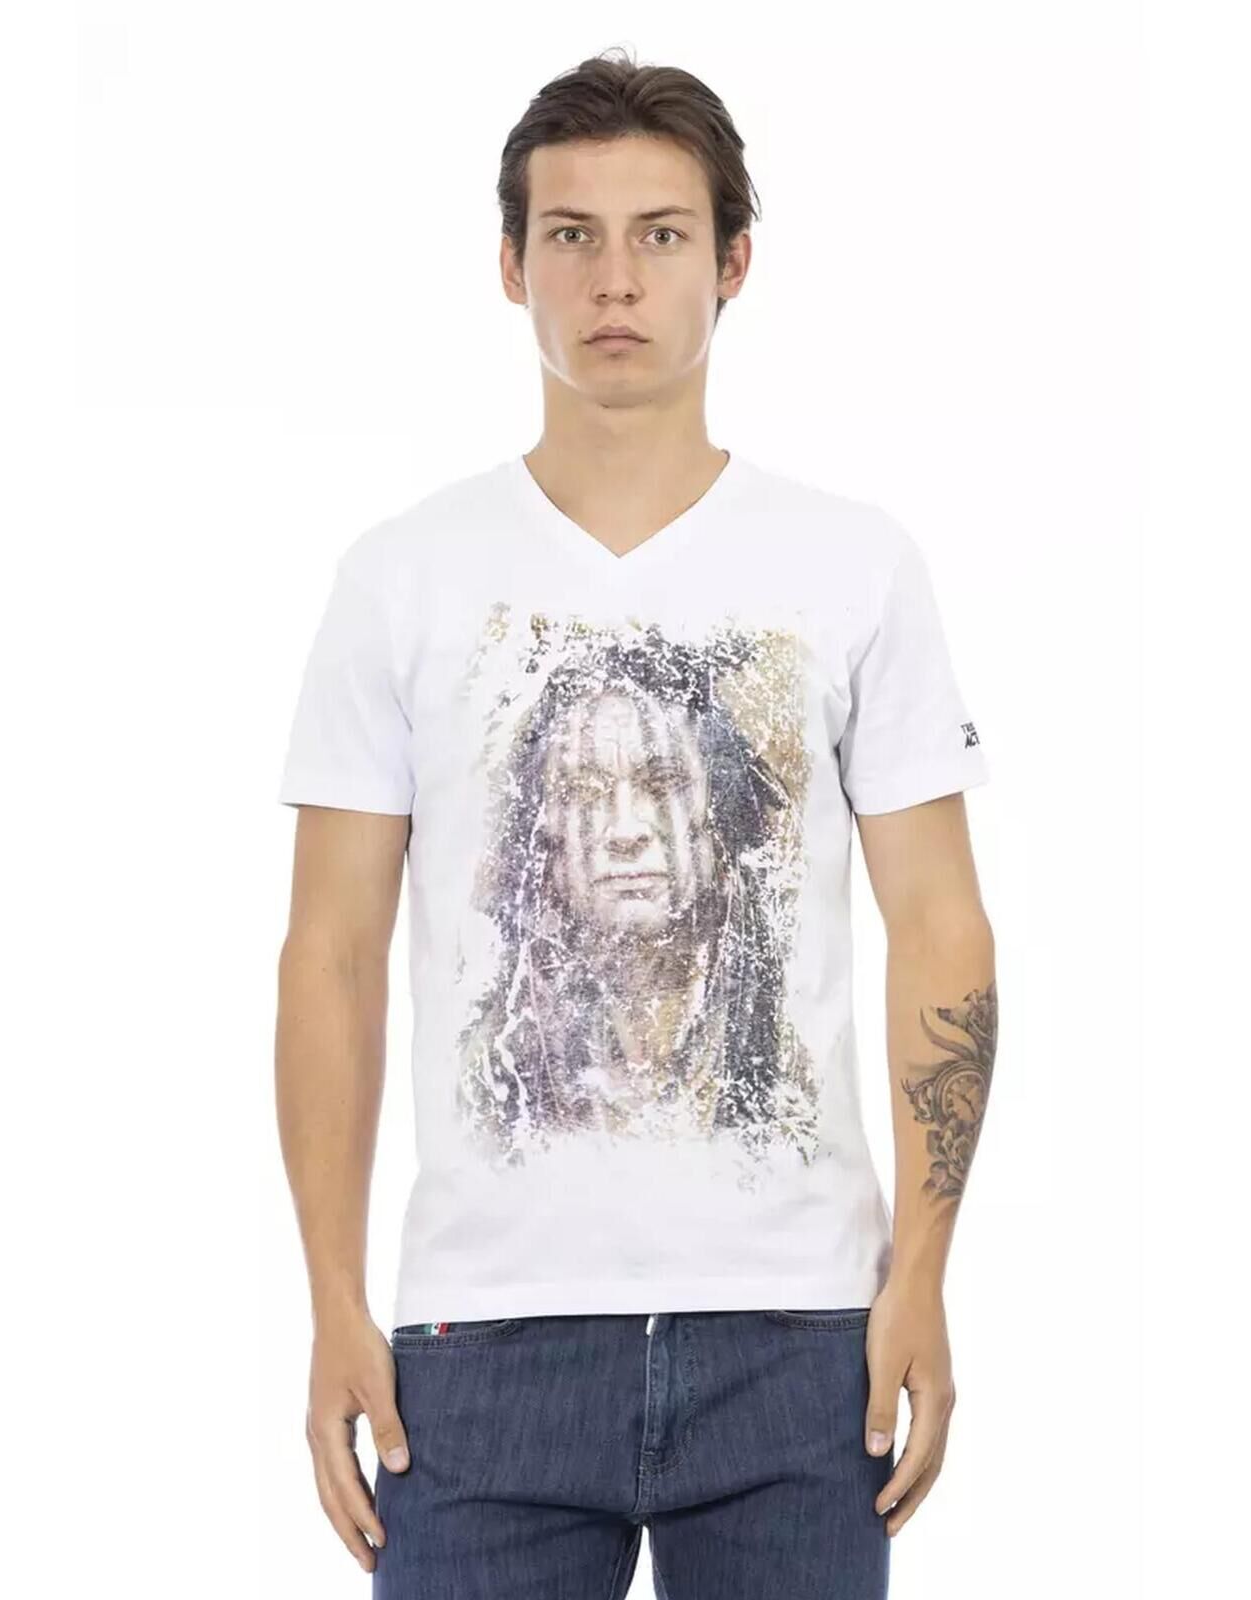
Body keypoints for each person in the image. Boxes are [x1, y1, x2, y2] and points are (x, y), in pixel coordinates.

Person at [275, 46, 997, 1600]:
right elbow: (329, 955)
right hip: (478, 1345)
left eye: (662, 235)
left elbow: (942, 927)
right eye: (573, 235)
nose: (615, 280)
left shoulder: (854, 564)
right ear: (511, 264)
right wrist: (333, 1297)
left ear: (733, 263)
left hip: (800, 1336)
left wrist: (924, 1276)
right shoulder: (401, 577)